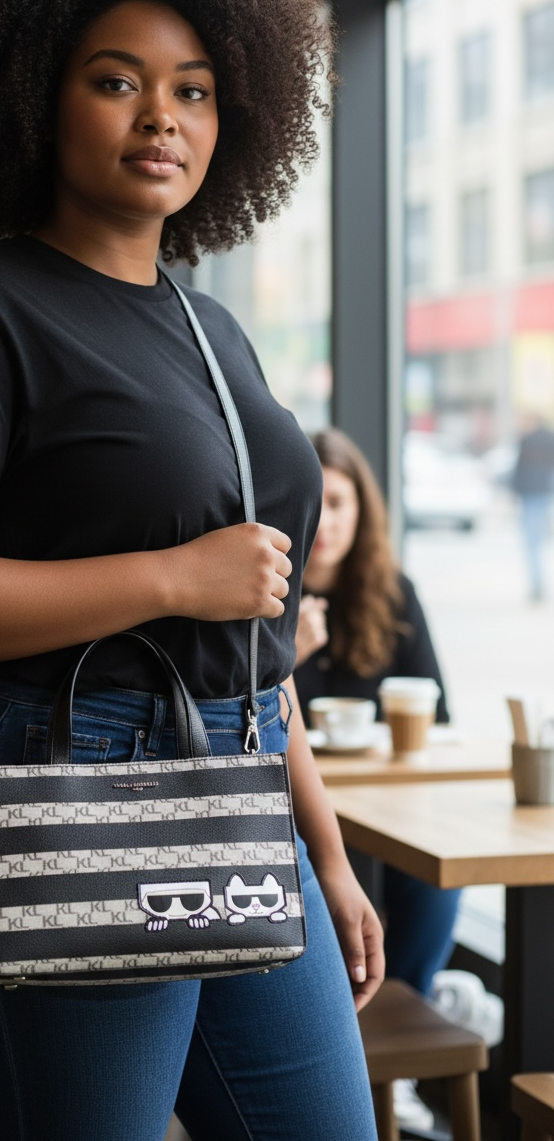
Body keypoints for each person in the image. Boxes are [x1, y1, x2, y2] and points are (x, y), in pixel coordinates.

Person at [0, 0, 383, 1141]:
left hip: (241, 791)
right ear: (38, 99)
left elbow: (254, 633)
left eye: (193, 90)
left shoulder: (214, 332)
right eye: (116, 81)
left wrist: (327, 850)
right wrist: (169, 576)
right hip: (60, 776)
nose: (161, 117)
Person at [293, 427, 459, 1133]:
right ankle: (372, 1030)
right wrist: (289, 656)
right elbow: (260, 721)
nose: (326, 522)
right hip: (304, 805)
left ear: (363, 512)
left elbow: (438, 715)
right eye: (314, 503)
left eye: (340, 503)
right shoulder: (269, 597)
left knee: (432, 877)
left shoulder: (393, 595)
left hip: (379, 792)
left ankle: (409, 1013)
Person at [511, 414, 554, 602]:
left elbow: (518, 469)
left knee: (532, 542)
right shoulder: (549, 439)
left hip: (530, 495)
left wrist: (515, 491)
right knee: (535, 541)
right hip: (544, 492)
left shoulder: (527, 440)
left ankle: (537, 585)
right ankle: (537, 584)